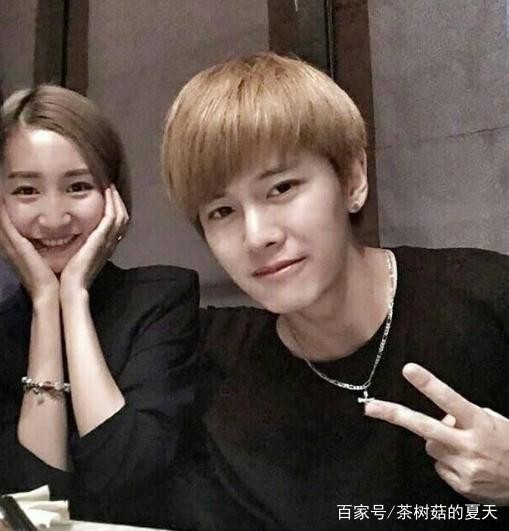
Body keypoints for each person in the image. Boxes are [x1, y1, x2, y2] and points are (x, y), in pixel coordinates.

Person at [161, 53, 509, 530]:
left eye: (281, 188)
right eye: (222, 211)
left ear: (353, 179)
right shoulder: (227, 381)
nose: (257, 236)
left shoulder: (486, 296)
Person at [0, 85, 199, 526]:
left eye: (78, 186)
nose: (54, 217)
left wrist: (73, 297)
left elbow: (126, 479)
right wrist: (45, 304)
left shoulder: (163, 299)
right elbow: (34, 511)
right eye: (27, 190)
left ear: (113, 196)